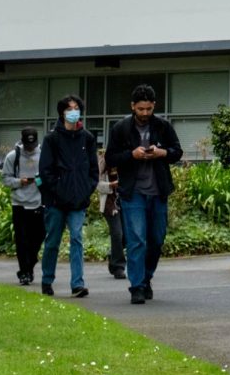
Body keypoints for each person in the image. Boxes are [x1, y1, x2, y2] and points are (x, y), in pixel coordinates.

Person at [105, 84, 183, 305]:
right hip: (133, 192)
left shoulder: (163, 126)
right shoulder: (121, 128)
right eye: (140, 109)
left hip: (158, 191)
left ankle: (147, 278)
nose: (145, 113)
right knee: (137, 239)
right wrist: (132, 155)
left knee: (156, 240)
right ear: (132, 107)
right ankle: (136, 286)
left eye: (148, 109)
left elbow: (177, 152)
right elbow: (110, 158)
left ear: (154, 106)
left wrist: (161, 152)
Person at [38, 96, 99, 298]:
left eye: (76, 108)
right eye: (69, 108)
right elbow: (45, 171)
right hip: (55, 201)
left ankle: (77, 284)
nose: (73, 112)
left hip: (78, 200)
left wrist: (86, 190)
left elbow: (93, 171)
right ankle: (47, 280)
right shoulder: (52, 139)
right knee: (53, 241)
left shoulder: (87, 138)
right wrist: (59, 190)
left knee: (77, 238)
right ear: (62, 112)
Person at [2, 126, 45, 286]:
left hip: (39, 202)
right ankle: (25, 272)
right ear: (22, 142)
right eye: (27, 146)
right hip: (19, 203)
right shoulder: (13, 156)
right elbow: (5, 179)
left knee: (38, 237)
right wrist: (20, 182)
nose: (30, 149)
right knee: (22, 240)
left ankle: (30, 264)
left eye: (32, 146)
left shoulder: (43, 155)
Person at [96, 150, 127, 280]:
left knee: (127, 236)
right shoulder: (104, 161)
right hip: (110, 204)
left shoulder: (127, 158)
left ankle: (113, 253)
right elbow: (97, 184)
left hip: (127, 202)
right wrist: (111, 185)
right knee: (117, 233)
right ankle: (118, 267)